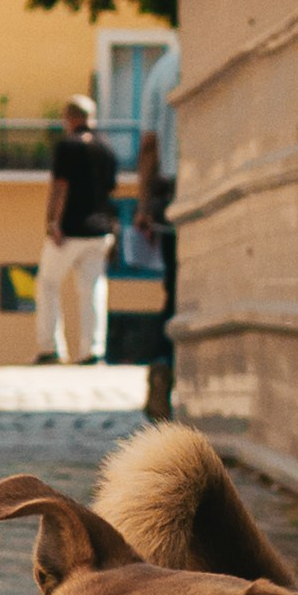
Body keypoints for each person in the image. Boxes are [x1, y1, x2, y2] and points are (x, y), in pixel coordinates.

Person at [35, 93, 116, 365]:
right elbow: (109, 192)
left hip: (70, 230)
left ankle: (51, 347)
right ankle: (93, 349)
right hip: (100, 231)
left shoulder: (68, 147)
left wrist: (53, 222)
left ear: (70, 118)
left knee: (47, 283)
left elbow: (60, 187)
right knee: (92, 289)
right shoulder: (107, 148)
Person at [137, 34, 181, 421]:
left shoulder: (163, 69)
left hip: (173, 190)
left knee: (174, 289)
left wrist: (143, 203)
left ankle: (163, 366)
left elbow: (149, 144)